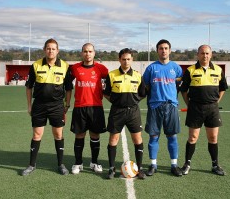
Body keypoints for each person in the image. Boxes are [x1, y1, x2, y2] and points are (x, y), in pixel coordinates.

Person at [21, 38, 71, 176]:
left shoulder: (65, 66)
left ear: (57, 51)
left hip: (57, 106)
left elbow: (68, 88)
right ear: (44, 50)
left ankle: (61, 164)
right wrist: (29, 105)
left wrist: (67, 104)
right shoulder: (36, 65)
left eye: (53, 48)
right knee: (37, 135)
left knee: (58, 134)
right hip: (39, 106)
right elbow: (29, 87)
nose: (51, 51)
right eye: (48, 48)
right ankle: (31, 165)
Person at [180, 44, 228, 176]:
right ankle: (187, 164)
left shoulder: (218, 70)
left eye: (207, 53)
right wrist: (189, 104)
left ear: (211, 55)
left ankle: (215, 165)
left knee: (213, 138)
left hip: (212, 109)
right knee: (193, 137)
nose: (205, 55)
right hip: (195, 108)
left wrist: (216, 102)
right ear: (198, 55)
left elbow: (223, 88)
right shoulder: (190, 70)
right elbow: (183, 90)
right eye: (202, 53)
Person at [65, 43, 108, 174]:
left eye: (90, 51)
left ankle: (94, 162)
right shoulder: (75, 68)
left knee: (95, 135)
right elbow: (67, 84)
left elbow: (110, 83)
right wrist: (66, 102)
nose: (87, 54)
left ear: (94, 53)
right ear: (81, 53)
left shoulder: (102, 69)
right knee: (80, 135)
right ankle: (78, 163)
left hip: (96, 107)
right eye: (85, 51)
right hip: (80, 107)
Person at [104, 48, 146, 179]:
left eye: (128, 59)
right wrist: (116, 101)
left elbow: (143, 93)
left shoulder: (138, 75)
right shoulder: (112, 75)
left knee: (137, 139)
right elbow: (106, 93)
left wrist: (134, 100)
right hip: (117, 111)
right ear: (119, 60)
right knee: (113, 139)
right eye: (123, 59)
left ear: (132, 60)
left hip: (133, 112)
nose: (126, 61)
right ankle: (111, 168)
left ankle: (140, 168)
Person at [143, 39, 183, 177]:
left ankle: (174, 165)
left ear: (170, 50)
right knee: (153, 136)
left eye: (166, 48)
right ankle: (153, 164)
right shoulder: (151, 68)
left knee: (172, 136)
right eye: (161, 48)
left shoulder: (176, 68)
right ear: (157, 51)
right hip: (155, 106)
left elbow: (178, 84)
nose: (163, 51)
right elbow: (146, 86)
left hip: (171, 106)